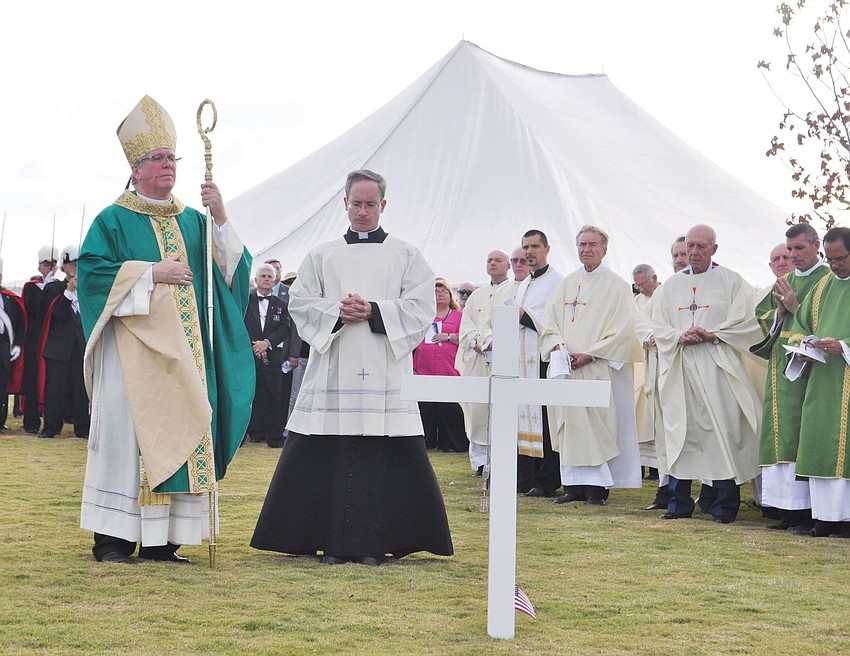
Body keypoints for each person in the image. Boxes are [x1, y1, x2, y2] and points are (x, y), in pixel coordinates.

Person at [78, 95, 254, 564]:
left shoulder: (194, 222)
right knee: (127, 441)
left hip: (184, 357)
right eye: (157, 159)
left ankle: (163, 541)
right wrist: (153, 273)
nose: (167, 167)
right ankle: (113, 539)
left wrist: (220, 219)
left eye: (171, 158)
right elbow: (92, 275)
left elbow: (229, 282)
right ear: (135, 169)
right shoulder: (112, 219)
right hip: (130, 356)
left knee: (180, 431)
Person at [251, 169, 453, 565]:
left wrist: (375, 311)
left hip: (384, 370)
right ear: (345, 204)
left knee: (384, 453)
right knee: (325, 450)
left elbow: (420, 307)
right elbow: (301, 303)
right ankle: (322, 538)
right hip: (333, 367)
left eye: (370, 204)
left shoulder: (406, 254)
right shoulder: (322, 255)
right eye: (356, 204)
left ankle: (377, 542)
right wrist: (338, 313)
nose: (363, 212)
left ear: (383, 205)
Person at [650, 224, 763, 523]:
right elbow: (656, 324)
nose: (694, 252)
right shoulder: (670, 286)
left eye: (701, 246)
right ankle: (679, 504)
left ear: (714, 248)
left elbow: (748, 322)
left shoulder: (732, 281)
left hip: (717, 366)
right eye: (690, 246)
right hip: (681, 366)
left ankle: (724, 507)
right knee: (680, 432)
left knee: (722, 432)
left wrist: (714, 334)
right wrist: (677, 336)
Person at [541, 226, 642, 506]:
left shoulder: (617, 285)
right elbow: (549, 322)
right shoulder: (567, 283)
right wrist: (559, 347)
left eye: (593, 244)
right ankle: (572, 486)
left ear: (604, 249)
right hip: (567, 368)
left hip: (598, 367)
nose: (586, 249)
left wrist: (592, 354)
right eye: (582, 244)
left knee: (597, 428)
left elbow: (625, 329)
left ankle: (597, 489)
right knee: (570, 426)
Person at [751, 224, 829, 531]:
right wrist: (780, 312)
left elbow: (829, 320)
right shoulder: (785, 281)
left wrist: (795, 307)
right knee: (783, 435)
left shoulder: (828, 280)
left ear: (815, 245)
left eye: (797, 249)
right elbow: (765, 315)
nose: (792, 256)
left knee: (806, 436)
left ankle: (811, 512)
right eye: (788, 250)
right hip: (782, 369)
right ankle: (787, 510)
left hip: (815, 371)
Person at [784, 226, 850, 537]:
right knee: (818, 442)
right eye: (831, 259)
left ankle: (845, 521)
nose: (834, 265)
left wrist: (844, 345)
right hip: (822, 380)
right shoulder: (823, 287)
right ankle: (824, 518)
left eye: (840, 259)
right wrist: (803, 346)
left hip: (846, 379)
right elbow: (800, 323)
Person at [455, 249, 513, 473]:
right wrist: (477, 342)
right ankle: (480, 462)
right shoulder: (477, 295)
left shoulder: (513, 290)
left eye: (498, 260)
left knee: (500, 411)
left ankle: (502, 460)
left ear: (507, 265)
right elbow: (466, 324)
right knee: (478, 411)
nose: (493, 264)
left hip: (503, 360)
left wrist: (493, 343)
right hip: (478, 359)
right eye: (489, 260)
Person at [515, 229, 563, 497]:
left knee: (546, 419)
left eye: (534, 246)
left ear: (547, 248)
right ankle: (526, 477)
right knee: (522, 418)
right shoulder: (523, 283)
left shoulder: (558, 282)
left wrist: (525, 315)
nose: (529, 252)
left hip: (543, 359)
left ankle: (546, 480)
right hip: (522, 362)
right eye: (525, 247)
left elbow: (555, 319)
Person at [38, 246, 90, 439]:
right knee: (54, 389)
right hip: (58, 347)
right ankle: (51, 427)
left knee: (81, 390)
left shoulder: (87, 289)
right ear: (64, 266)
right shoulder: (53, 288)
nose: (74, 267)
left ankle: (83, 427)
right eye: (71, 264)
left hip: (80, 346)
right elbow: (55, 315)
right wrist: (68, 291)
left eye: (77, 264)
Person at [413, 278, 468, 452]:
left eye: (443, 291)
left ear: (450, 295)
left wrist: (449, 337)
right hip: (425, 367)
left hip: (449, 367)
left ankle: (451, 443)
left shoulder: (459, 315)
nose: (439, 295)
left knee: (449, 408)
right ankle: (427, 442)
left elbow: (467, 338)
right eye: (435, 292)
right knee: (427, 407)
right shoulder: (423, 316)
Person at [245, 263, 292, 448]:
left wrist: (267, 343)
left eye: (269, 277)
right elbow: (241, 324)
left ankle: (274, 435)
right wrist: (255, 345)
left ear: (274, 281)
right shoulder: (245, 301)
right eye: (262, 276)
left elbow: (285, 328)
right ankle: (255, 432)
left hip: (273, 354)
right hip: (250, 353)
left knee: (273, 394)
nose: (265, 279)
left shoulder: (281, 305)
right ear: (256, 280)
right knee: (253, 392)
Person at [21, 246, 57, 434]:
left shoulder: (57, 286)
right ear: (39, 267)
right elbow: (33, 308)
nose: (49, 269)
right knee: (32, 382)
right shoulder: (30, 287)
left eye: (52, 265)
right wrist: (46, 289)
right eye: (45, 265)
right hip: (34, 342)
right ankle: (31, 421)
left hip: (52, 340)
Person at [0, 257, 25, 430]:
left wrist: (17, 344)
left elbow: (19, 324)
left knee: (2, 385)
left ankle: (0, 421)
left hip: (3, 345)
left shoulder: (9, 299)